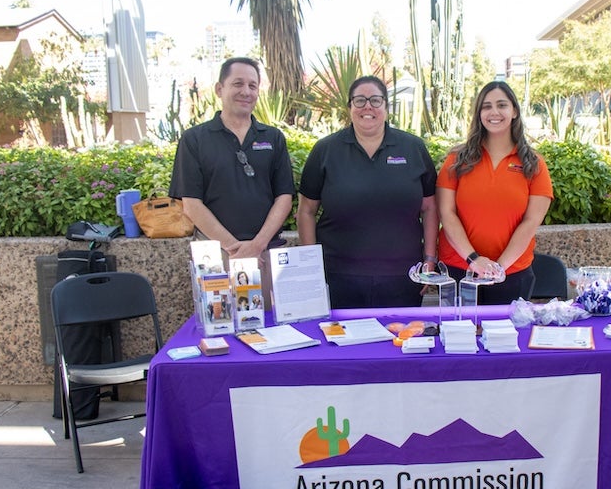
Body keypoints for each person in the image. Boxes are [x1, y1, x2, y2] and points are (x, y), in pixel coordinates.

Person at [297, 75, 438, 309]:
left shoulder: (413, 148)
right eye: (360, 100)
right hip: (338, 276)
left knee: (400, 342)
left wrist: (430, 258)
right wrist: (311, 265)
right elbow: (306, 211)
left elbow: (430, 207)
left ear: (386, 106)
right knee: (342, 344)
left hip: (403, 276)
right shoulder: (325, 150)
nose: (368, 107)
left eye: (375, 100)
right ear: (350, 107)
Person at [169, 57, 295, 299]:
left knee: (269, 329)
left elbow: (284, 198)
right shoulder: (194, 139)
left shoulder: (273, 137)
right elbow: (192, 205)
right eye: (238, 84)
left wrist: (256, 245)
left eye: (252, 85)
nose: (245, 92)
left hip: (264, 253)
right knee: (219, 326)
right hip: (216, 255)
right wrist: (235, 250)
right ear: (220, 89)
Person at [436, 81, 554, 305]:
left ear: (514, 111)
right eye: (486, 106)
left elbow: (530, 222)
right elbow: (446, 213)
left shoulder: (534, 164)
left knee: (506, 339)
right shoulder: (456, 160)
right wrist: (474, 260)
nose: (494, 112)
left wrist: (499, 267)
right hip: (458, 270)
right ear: (479, 113)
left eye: (502, 105)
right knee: (457, 338)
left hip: (511, 274)